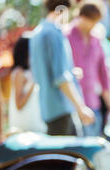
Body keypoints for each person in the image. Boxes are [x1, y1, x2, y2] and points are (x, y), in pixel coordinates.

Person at [29, 0, 94, 136]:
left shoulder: (36, 33)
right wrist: (81, 108)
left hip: (47, 109)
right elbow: (61, 78)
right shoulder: (54, 34)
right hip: (63, 109)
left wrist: (70, 72)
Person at [67, 0, 110, 137]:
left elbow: (104, 73)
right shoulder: (66, 35)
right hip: (73, 105)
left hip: (94, 103)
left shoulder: (96, 39)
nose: (91, 24)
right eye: (89, 20)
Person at [8, 36, 47, 133]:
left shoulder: (30, 71)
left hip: (34, 119)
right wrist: (33, 85)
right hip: (25, 122)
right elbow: (19, 104)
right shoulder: (19, 73)